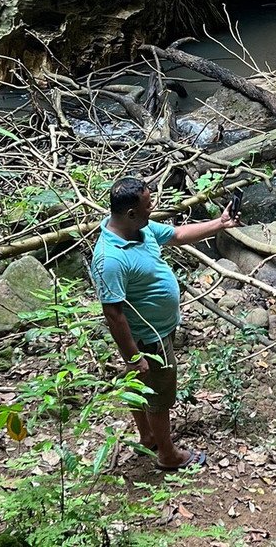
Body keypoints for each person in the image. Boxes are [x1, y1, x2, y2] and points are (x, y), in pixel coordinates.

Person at [91, 177, 240, 469]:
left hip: (157, 331)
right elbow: (114, 314)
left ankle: (148, 437)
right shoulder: (110, 259)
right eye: (149, 205)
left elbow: (178, 234)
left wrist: (220, 223)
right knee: (159, 396)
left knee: (139, 385)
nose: (153, 209)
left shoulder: (139, 230)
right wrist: (133, 356)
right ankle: (168, 455)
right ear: (131, 213)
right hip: (148, 339)